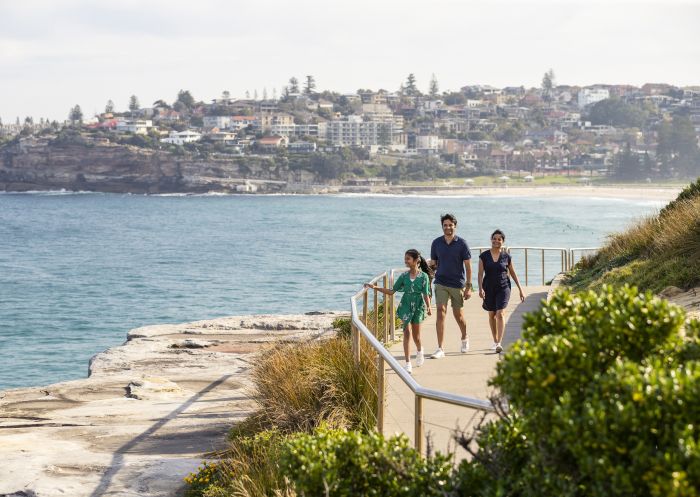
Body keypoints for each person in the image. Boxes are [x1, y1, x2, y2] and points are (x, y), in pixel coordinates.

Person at [365, 249, 433, 374]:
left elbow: (425, 293)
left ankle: (419, 350)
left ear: (416, 260)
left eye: (408, 258)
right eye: (405, 258)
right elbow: (392, 291)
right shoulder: (403, 276)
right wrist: (375, 287)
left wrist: (428, 307)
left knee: (416, 337)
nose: (405, 261)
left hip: (418, 306)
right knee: (406, 333)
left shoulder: (424, 277)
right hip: (406, 305)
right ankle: (407, 363)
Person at [429, 213, 472, 359]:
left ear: (455, 226)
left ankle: (465, 337)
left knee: (458, 316)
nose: (447, 227)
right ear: (442, 227)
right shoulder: (436, 243)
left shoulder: (462, 244)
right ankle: (440, 348)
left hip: (457, 284)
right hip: (440, 282)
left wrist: (468, 287)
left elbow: (468, 266)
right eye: (445, 225)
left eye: (450, 225)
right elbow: (434, 264)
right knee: (441, 311)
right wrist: (429, 269)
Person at [477, 229, 526, 353]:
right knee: (492, 315)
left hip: (504, 287)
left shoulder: (506, 256)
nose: (496, 241)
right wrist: (480, 288)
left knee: (500, 314)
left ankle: (499, 342)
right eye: (494, 238)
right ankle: (495, 340)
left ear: (503, 242)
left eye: (499, 239)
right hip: (488, 288)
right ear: (491, 240)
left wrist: (520, 289)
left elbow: (513, 273)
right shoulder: (484, 256)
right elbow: (480, 274)